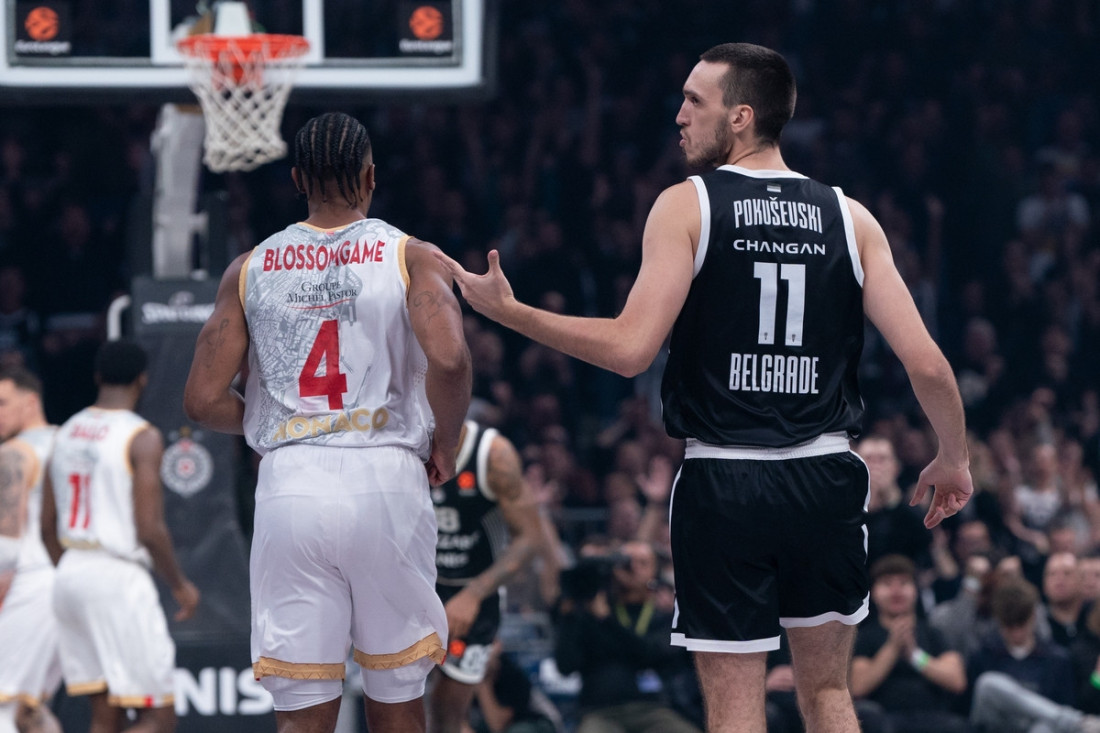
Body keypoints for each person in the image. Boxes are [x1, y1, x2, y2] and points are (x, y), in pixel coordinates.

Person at [439, 42, 973, 732]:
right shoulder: (852, 218)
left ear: (741, 116)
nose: (680, 115)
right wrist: (954, 456)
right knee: (828, 694)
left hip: (725, 480)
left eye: (695, 100)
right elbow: (927, 364)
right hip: (826, 476)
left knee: (734, 709)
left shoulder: (686, 205)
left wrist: (512, 313)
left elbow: (630, 351)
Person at [182, 111, 472, 733]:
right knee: (397, 699)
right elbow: (450, 359)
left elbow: (202, 400)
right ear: (370, 177)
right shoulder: (411, 256)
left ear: (296, 180)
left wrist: (277, 420)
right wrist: (445, 443)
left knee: (301, 711)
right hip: (387, 476)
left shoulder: (250, 267)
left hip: (291, 485)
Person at [39, 340, 201, 733]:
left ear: (97, 376)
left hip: (70, 575)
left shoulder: (65, 432)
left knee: (104, 716)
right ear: (142, 380)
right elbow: (149, 528)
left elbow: (46, 525)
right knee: (159, 718)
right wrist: (179, 584)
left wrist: (74, 568)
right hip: (117, 578)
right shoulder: (140, 436)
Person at [428, 419, 548, 733]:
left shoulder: (493, 454)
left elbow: (529, 539)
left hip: (474, 594)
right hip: (416, 586)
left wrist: (473, 595)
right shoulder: (403, 442)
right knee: (395, 701)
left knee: (448, 710)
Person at [553, 539, 701, 733]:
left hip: (655, 709)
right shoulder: (592, 610)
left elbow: (653, 654)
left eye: (643, 563)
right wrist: (570, 615)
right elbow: (565, 665)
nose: (633, 568)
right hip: (600, 711)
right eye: (626, 562)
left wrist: (607, 620)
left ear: (655, 571)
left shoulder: (664, 614)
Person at [0, 367, 61, 733]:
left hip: (32, 581)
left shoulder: (14, 453)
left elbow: (6, 546)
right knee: (31, 708)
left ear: (31, 401)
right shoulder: (73, 441)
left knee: (5, 705)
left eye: (3, 403)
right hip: (76, 579)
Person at [849, 554, 969, 733]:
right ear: (873, 592)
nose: (896, 591)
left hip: (933, 717)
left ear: (915, 590)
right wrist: (892, 648)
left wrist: (914, 655)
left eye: (904, 583)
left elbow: (956, 680)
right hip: (885, 718)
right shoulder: (865, 637)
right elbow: (858, 686)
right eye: (887, 584)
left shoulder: (932, 633)